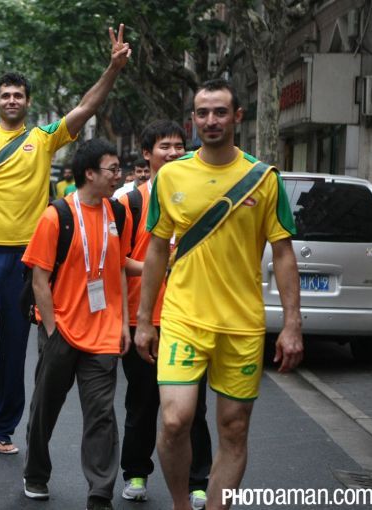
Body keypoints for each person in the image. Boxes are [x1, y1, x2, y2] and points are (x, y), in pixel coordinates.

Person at [0, 16, 132, 455]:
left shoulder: (44, 138)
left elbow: (86, 107)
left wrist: (113, 68)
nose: (12, 100)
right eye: (5, 95)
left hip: (26, 262)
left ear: (27, 102)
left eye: (18, 95)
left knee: (15, 349)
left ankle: (2, 430)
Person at [135, 79, 303, 510]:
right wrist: (143, 320)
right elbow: (156, 249)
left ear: (237, 117)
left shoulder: (264, 179)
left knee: (233, 429)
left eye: (220, 112)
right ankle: (180, 504)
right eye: (203, 113)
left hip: (241, 324)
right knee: (175, 420)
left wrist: (292, 324)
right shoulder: (171, 175)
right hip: (183, 318)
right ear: (193, 119)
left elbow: (283, 253)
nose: (211, 120)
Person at [22, 139, 132, 510]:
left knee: (101, 414)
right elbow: (39, 280)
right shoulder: (57, 216)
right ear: (89, 173)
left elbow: (119, 267)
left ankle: (100, 492)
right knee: (45, 407)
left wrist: (123, 323)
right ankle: (36, 473)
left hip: (103, 333)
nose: (118, 175)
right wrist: (52, 331)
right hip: (62, 331)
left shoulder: (117, 213)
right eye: (112, 169)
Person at [116, 120, 212, 509]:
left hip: (190, 319)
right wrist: (127, 321)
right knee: (142, 402)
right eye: (164, 147)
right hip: (144, 319)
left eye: (178, 147)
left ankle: (198, 481)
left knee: (194, 409)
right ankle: (136, 472)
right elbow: (116, 261)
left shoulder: (199, 198)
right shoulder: (131, 203)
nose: (172, 153)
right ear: (146, 154)